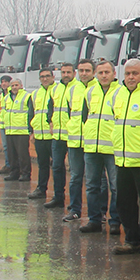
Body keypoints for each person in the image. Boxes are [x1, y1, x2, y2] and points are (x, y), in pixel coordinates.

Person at [109, 58, 140, 259]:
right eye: (128, 73)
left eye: (135, 74)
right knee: (124, 202)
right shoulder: (117, 94)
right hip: (123, 159)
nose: (131, 77)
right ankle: (131, 240)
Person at [79, 60, 122, 235]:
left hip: (112, 148)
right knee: (91, 186)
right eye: (100, 73)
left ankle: (114, 221)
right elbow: (85, 116)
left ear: (113, 74)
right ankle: (94, 220)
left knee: (116, 187)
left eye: (107, 72)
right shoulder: (89, 92)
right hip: (91, 147)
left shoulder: (121, 92)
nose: (103, 76)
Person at [58, 60, 91, 221]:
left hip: (92, 142)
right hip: (74, 141)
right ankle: (74, 210)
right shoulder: (72, 90)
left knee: (96, 181)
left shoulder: (98, 89)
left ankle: (98, 213)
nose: (84, 73)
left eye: (87, 70)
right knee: (75, 177)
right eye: (81, 70)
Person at [43, 62, 72, 211]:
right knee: (56, 167)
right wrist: (50, 121)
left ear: (74, 73)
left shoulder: (77, 89)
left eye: (69, 72)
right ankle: (58, 197)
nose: (66, 75)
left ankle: (73, 203)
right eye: (63, 72)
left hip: (73, 136)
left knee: (74, 171)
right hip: (57, 136)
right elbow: (51, 107)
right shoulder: (56, 89)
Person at [27, 69, 55, 199]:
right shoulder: (35, 94)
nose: (45, 79)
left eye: (47, 76)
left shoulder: (57, 91)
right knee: (42, 164)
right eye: (42, 77)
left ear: (53, 77)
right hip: (39, 135)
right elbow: (31, 113)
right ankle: (41, 189)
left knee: (56, 166)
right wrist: (31, 131)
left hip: (53, 136)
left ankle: (58, 192)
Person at [0, 77, 32, 183]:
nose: (14, 87)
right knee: (11, 154)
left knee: (23, 154)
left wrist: (30, 128)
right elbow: (4, 112)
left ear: (21, 86)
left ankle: (25, 173)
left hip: (22, 130)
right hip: (9, 130)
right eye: (12, 85)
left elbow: (30, 113)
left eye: (16, 85)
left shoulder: (27, 96)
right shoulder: (6, 98)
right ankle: (14, 172)